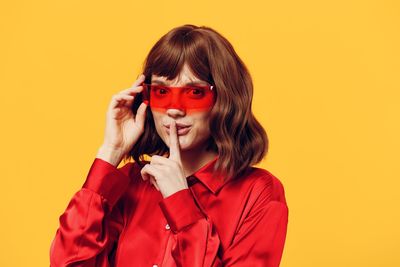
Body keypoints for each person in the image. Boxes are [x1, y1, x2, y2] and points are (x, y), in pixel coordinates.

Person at [49, 24, 289, 267]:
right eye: (162, 91)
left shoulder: (260, 193)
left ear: (225, 99)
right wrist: (110, 152)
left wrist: (180, 203)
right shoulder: (130, 183)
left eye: (194, 92)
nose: (174, 109)